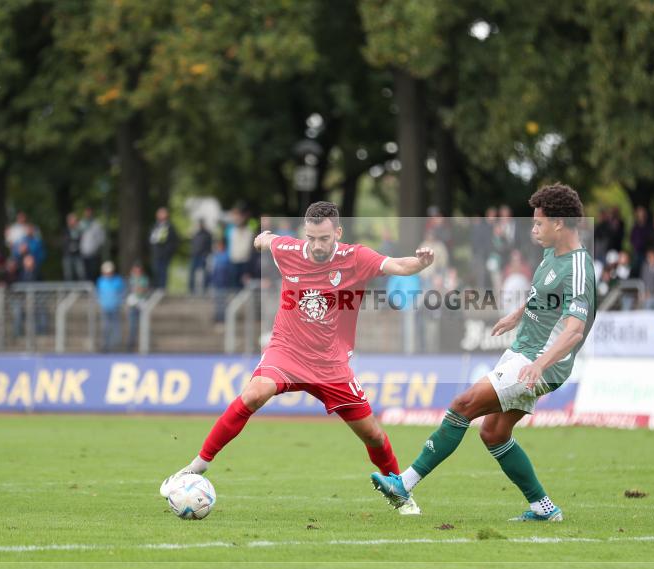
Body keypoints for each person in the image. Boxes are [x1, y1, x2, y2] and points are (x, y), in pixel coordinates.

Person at [159, 201, 435, 515]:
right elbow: (268, 240)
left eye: (324, 239)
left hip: (330, 364)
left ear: (338, 233)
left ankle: (400, 492)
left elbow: (399, 266)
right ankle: (194, 468)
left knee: (371, 433)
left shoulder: (355, 257)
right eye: (311, 238)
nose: (317, 246)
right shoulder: (290, 249)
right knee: (254, 392)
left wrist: (420, 263)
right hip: (286, 351)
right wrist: (262, 239)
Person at [370, 184, 594, 521]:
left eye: (538, 223)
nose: (533, 229)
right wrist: (515, 315)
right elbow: (542, 296)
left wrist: (539, 365)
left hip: (540, 361)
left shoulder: (579, 267)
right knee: (493, 432)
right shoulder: (552, 255)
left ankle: (405, 483)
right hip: (523, 352)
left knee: (462, 405)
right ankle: (544, 508)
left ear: (559, 224)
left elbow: (575, 330)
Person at [96, 261, 125, 352]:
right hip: (105, 308)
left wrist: (120, 302)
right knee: (105, 327)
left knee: (115, 327)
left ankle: (116, 346)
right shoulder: (100, 281)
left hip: (115, 307)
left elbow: (123, 292)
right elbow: (98, 293)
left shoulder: (118, 280)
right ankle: (106, 345)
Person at [149, 207, 178, 289]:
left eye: (163, 213)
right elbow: (151, 240)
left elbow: (174, 241)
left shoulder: (170, 227)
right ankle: (156, 288)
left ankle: (162, 289)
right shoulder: (154, 226)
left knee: (163, 272)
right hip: (156, 253)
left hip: (165, 254)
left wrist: (168, 251)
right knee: (155, 271)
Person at [125, 262, 150, 350]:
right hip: (132, 306)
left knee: (143, 327)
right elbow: (130, 291)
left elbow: (141, 291)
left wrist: (138, 288)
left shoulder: (144, 280)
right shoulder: (130, 280)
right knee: (132, 327)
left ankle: (143, 346)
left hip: (141, 305)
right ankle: (130, 346)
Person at [79, 207, 106, 281]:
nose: (87, 215)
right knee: (84, 274)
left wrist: (96, 248)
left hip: (94, 254)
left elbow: (102, 238)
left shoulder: (97, 224)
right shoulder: (81, 224)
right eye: (86, 213)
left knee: (93, 273)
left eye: (89, 213)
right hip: (83, 253)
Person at [188, 220, 213, 294]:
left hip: (203, 256)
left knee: (205, 273)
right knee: (192, 272)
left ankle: (205, 288)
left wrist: (206, 254)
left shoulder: (208, 234)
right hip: (195, 255)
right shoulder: (195, 233)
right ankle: (191, 289)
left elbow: (209, 246)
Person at [62, 213, 85, 281]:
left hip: (78, 254)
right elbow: (65, 242)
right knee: (68, 274)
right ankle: (69, 290)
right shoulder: (65, 230)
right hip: (68, 255)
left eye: (75, 220)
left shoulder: (79, 230)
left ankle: (81, 289)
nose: (74, 222)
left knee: (81, 273)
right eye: (72, 220)